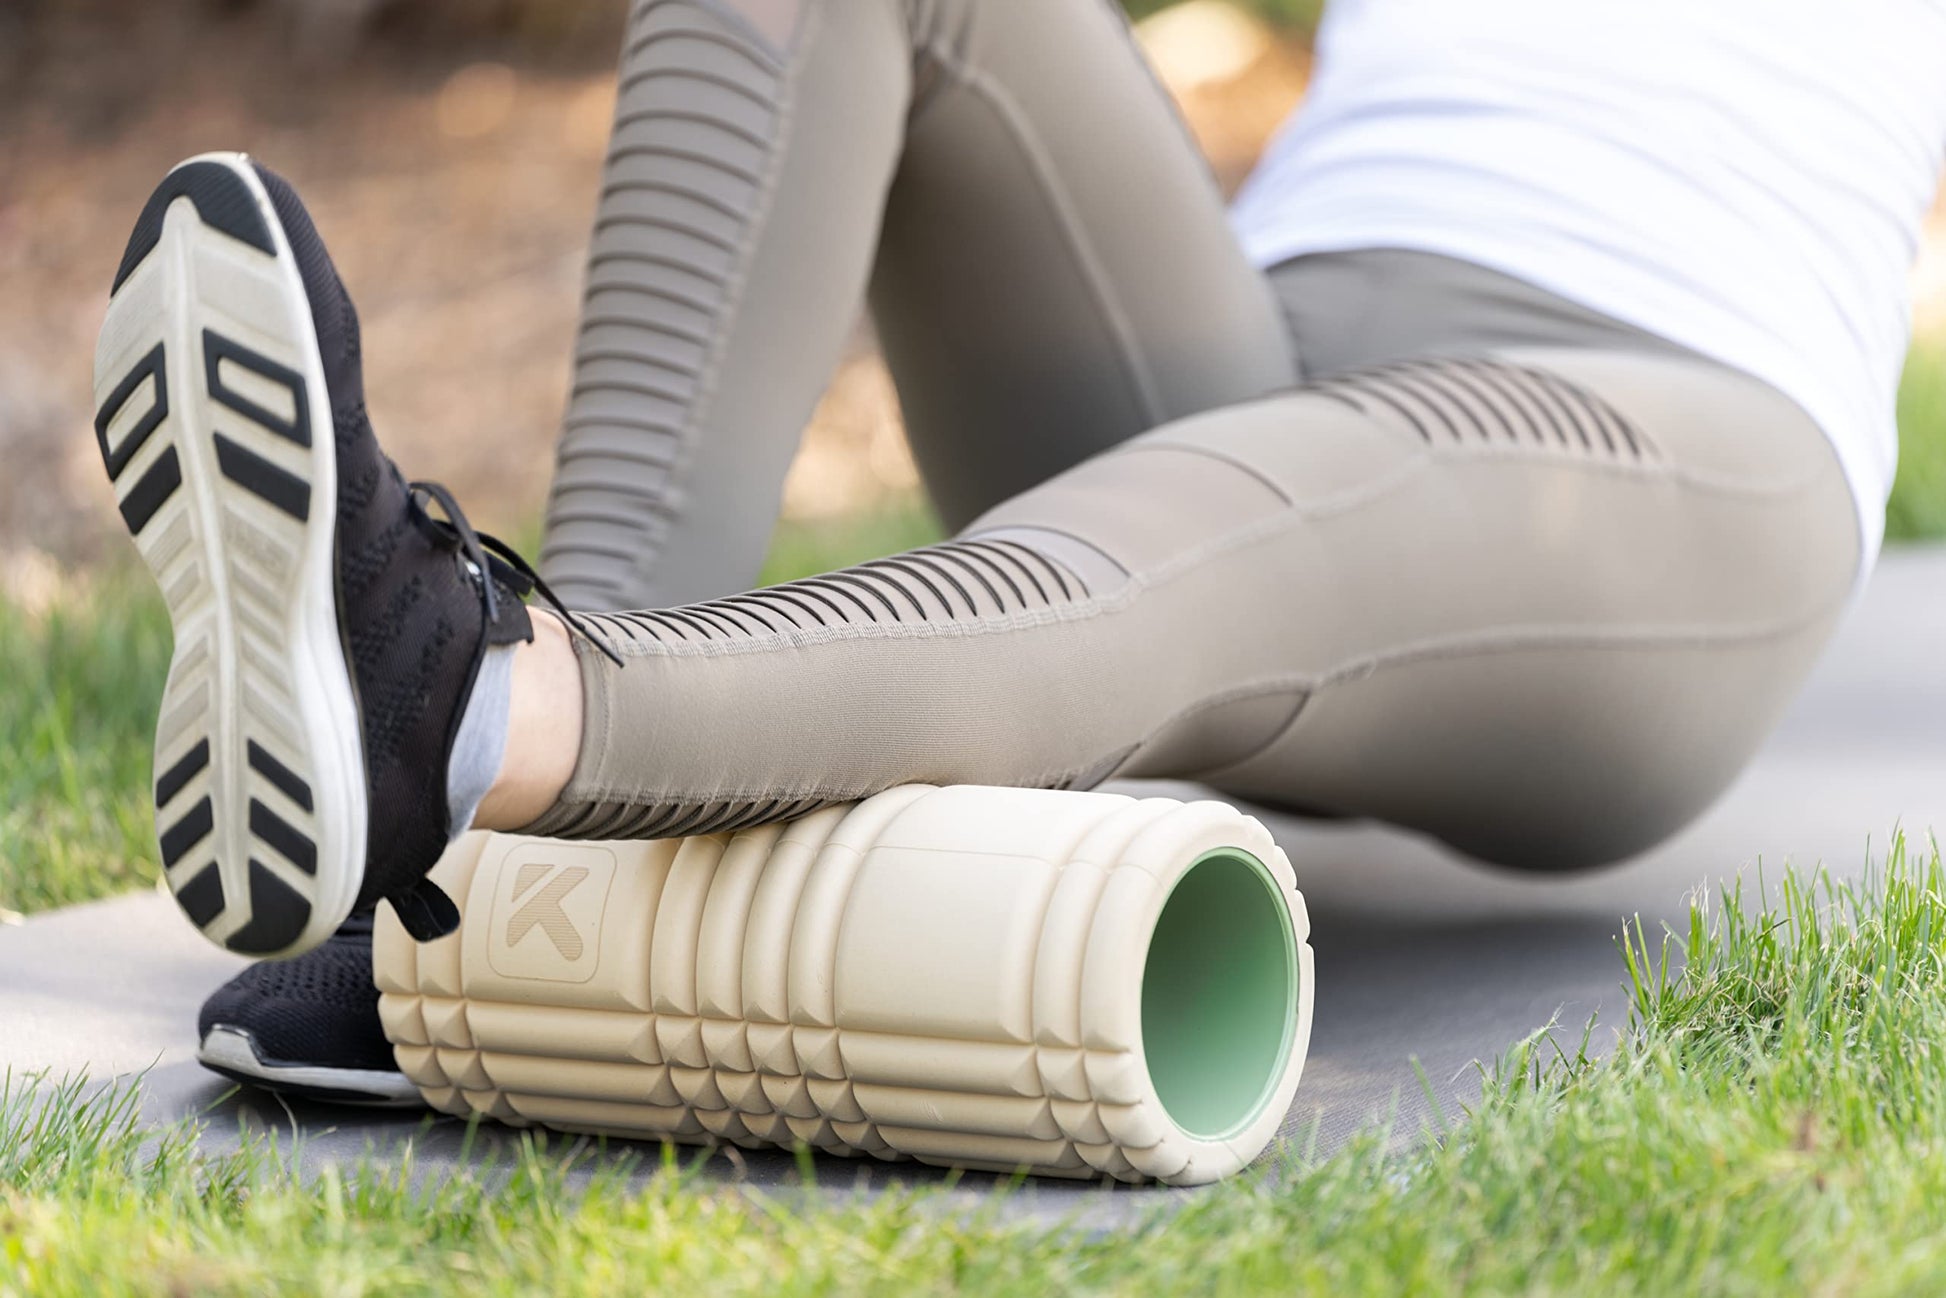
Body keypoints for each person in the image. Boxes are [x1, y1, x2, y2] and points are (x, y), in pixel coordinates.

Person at [92, 0, 1943, 1102]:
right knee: (1218, 483)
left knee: (1199, 545)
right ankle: (508, 912)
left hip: (1666, 417)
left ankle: (458, 693)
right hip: (1255, 326)